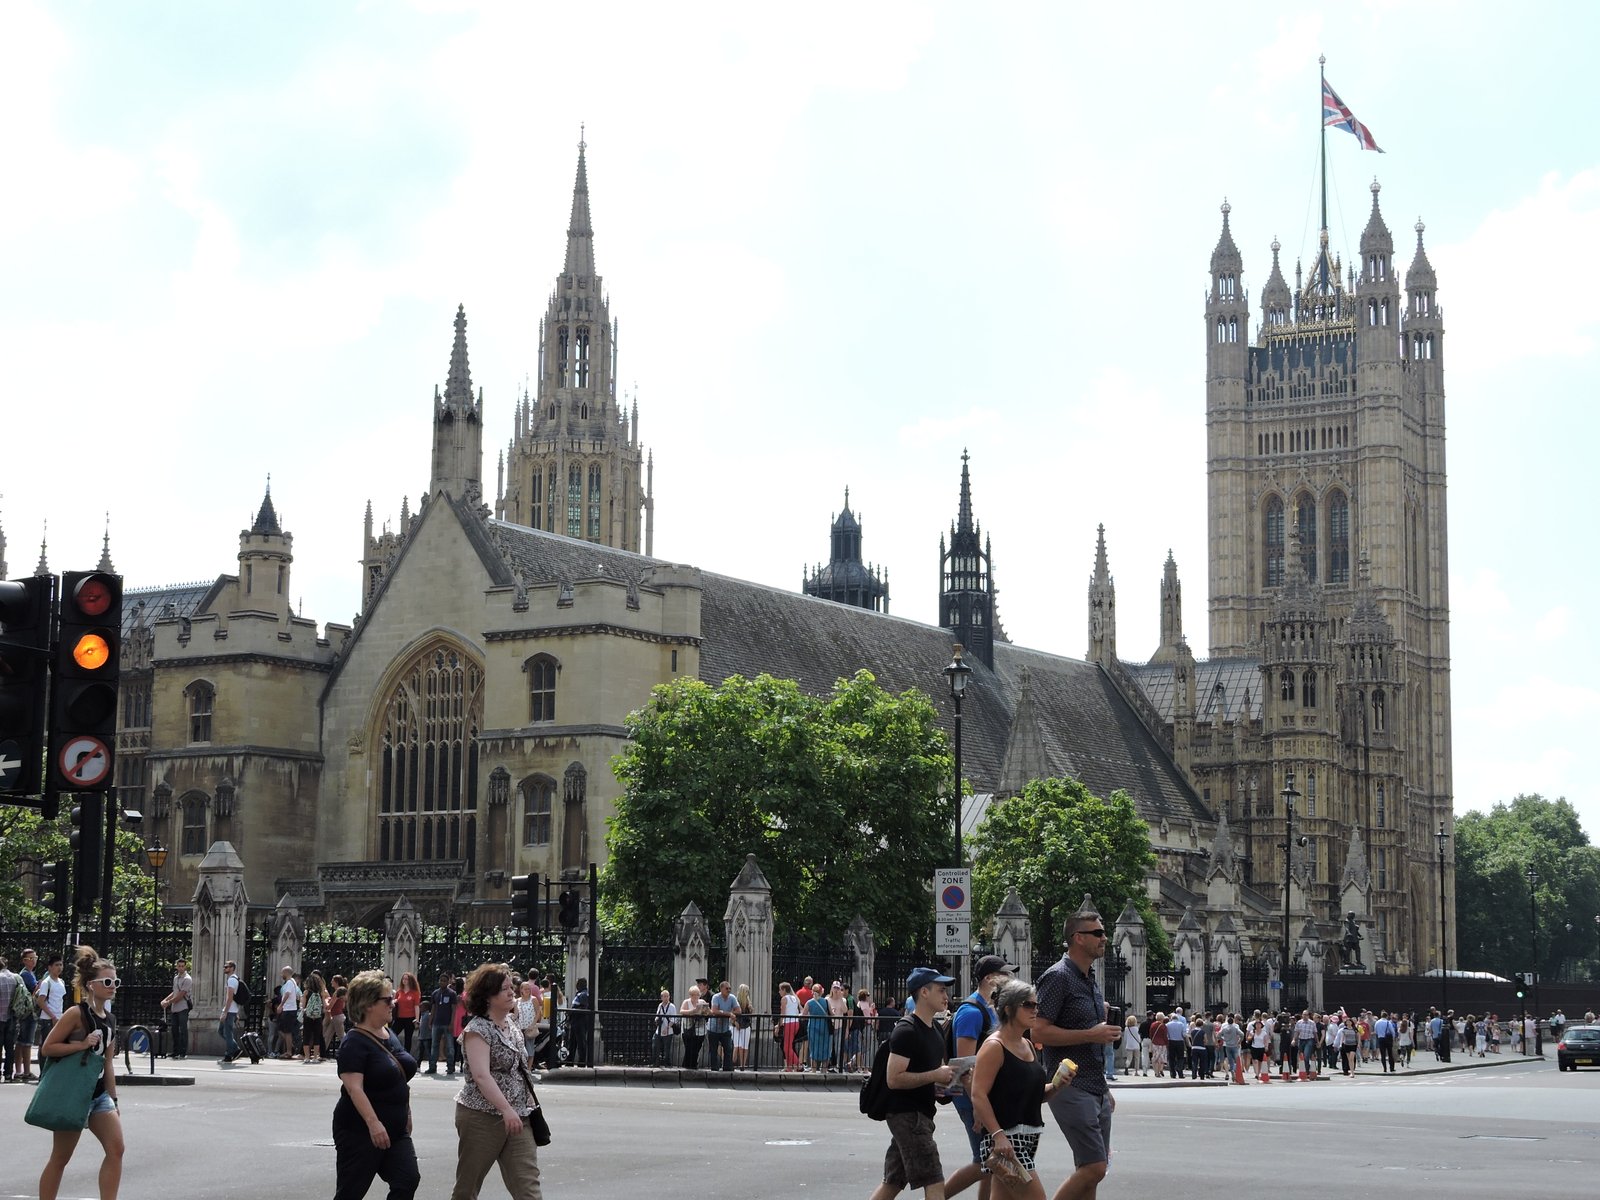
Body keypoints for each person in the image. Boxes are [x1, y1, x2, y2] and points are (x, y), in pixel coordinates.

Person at [1032, 913, 1120, 1200]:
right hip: (1070, 1084)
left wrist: (1105, 1089)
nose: (1104, 937)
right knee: (1095, 1166)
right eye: (1098, 933)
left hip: (1094, 1085)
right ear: (1078, 938)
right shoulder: (1058, 977)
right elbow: (1038, 1032)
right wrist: (1089, 1035)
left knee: (1092, 1171)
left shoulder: (1089, 979)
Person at [451, 963, 544, 1200]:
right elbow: (482, 1076)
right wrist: (505, 1109)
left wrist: (523, 1106)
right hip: (481, 1116)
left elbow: (519, 1069)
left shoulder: (511, 1026)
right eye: (504, 989)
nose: (511, 992)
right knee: (467, 1188)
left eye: (511, 987)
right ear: (488, 997)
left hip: (519, 1116)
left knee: (529, 1189)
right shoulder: (477, 1030)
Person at [37, 946, 123, 1200]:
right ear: (90, 985)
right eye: (107, 981)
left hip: (98, 1095)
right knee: (61, 1158)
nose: (113, 986)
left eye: (115, 981)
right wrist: (82, 1044)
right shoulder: (75, 1014)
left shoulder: (110, 1019)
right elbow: (48, 1048)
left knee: (116, 1149)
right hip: (74, 1094)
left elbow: (107, 1063)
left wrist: (114, 1099)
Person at [968, 978, 1067, 1200]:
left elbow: (1034, 1095)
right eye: (1028, 1005)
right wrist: (998, 1135)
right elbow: (978, 1094)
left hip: (1026, 1137)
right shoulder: (994, 1046)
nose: (1035, 1010)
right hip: (1006, 1141)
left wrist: (1058, 1085)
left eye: (1036, 1005)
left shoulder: (1027, 1044)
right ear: (1009, 1009)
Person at [869, 966, 956, 1200]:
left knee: (893, 1181)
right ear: (924, 993)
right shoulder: (906, 1030)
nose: (946, 995)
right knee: (934, 1180)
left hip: (920, 1115)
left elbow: (930, 1075)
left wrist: (949, 1082)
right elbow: (894, 1079)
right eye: (940, 990)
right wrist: (935, 1075)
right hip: (908, 1116)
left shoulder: (935, 1028)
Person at [332, 970, 419, 1200]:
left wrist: (406, 1112)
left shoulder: (388, 1033)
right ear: (368, 1004)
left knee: (407, 1180)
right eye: (388, 999)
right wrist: (373, 1123)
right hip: (360, 1131)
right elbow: (354, 1088)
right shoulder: (354, 1042)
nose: (394, 1003)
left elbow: (399, 1079)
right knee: (351, 1192)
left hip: (396, 1131)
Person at [944, 953, 1012, 1200]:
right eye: (1004, 974)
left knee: (989, 1164)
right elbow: (965, 1065)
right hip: (971, 1098)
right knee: (983, 1162)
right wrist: (977, 1107)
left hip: (982, 1096)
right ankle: (933, 1197)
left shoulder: (988, 1007)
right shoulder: (972, 1011)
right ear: (989, 978)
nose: (1009, 978)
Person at [158, 959, 194, 1060]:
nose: (181, 968)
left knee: (183, 1030)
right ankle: (175, 1051)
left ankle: (183, 1052)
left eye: (183, 966)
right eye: (179, 966)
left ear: (185, 967)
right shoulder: (176, 978)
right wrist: (165, 1000)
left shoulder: (187, 979)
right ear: (177, 967)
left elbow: (181, 995)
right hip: (175, 1008)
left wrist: (168, 1002)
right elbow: (174, 992)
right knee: (174, 1030)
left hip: (183, 1007)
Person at [15, 947, 40, 1082]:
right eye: (30, 958)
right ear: (24, 961)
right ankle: (26, 1071)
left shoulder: (29, 973)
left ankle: (19, 1070)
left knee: (21, 1041)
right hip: (29, 1012)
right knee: (27, 1042)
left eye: (34, 957)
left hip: (26, 1012)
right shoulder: (26, 975)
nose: (33, 961)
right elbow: (35, 989)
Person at [428, 972, 460, 1075]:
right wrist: (430, 1020)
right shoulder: (435, 993)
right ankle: (432, 1066)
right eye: (441, 980)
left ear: (448, 982)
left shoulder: (452, 994)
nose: (442, 982)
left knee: (450, 1046)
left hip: (447, 1023)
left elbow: (454, 1009)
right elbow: (433, 1008)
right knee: (434, 1045)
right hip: (436, 1023)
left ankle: (450, 1067)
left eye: (444, 981)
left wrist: (452, 1023)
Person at [708, 980, 739, 1072]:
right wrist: (729, 1014)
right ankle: (714, 1068)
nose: (729, 990)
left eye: (730, 988)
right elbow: (714, 1010)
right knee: (713, 1050)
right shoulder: (716, 997)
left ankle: (727, 1068)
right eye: (726, 988)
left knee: (728, 1048)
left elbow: (738, 1010)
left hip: (725, 1028)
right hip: (713, 1028)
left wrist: (726, 1013)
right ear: (721, 989)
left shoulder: (732, 997)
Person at [303, 972, 331, 1063]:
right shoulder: (321, 992)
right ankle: (315, 1057)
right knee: (317, 1036)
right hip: (318, 1016)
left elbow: (303, 1006)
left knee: (306, 1036)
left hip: (308, 1016)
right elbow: (323, 1005)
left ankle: (307, 1057)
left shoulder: (306, 992)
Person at [276, 966, 303, 1059]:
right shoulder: (293, 982)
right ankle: (289, 1048)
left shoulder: (289, 983)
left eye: (282, 973)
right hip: (290, 1009)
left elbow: (287, 994)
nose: (281, 975)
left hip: (288, 1010)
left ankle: (289, 1051)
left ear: (286, 973)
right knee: (285, 1031)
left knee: (287, 1031)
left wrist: (281, 1005)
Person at [218, 959, 242, 1063]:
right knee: (221, 1031)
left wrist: (225, 1012)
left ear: (232, 968)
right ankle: (235, 1049)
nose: (224, 968)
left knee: (227, 1033)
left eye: (226, 967)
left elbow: (230, 998)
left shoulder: (232, 980)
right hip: (232, 1010)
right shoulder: (234, 979)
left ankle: (229, 1055)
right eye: (224, 967)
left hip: (229, 1010)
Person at [679, 985, 707, 1070]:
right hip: (688, 1030)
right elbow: (681, 1011)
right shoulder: (686, 1002)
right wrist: (692, 1011)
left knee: (696, 1049)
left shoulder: (702, 1002)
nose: (695, 996)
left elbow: (708, 1012)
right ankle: (687, 1066)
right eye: (693, 995)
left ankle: (694, 1065)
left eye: (697, 994)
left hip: (700, 1030)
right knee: (689, 1048)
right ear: (690, 995)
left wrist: (705, 1011)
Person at [393, 973, 422, 1054]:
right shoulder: (399, 991)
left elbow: (416, 1006)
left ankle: (407, 1054)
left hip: (410, 1018)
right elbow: (395, 1001)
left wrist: (417, 1019)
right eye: (403, 979)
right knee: (393, 1033)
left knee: (408, 1038)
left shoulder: (415, 992)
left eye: (406, 979)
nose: (404, 981)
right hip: (399, 1017)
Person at [516, 981, 542, 1064]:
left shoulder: (533, 999)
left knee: (530, 1049)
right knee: (520, 1049)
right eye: (525, 989)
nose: (527, 990)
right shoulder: (517, 1001)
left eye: (528, 989)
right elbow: (516, 1015)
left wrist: (533, 1024)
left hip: (530, 1027)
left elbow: (538, 1012)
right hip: (520, 1028)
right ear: (521, 990)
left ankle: (529, 1068)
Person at [569, 979, 593, 1068]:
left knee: (580, 1042)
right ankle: (570, 1060)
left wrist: (573, 1011)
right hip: (576, 1020)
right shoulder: (580, 994)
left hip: (580, 1020)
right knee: (573, 1042)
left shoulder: (583, 994)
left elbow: (583, 1007)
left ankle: (581, 1062)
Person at [778, 981, 801, 1071]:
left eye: (780, 990)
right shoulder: (794, 998)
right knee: (789, 1046)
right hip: (796, 1022)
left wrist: (779, 1025)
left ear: (784, 990)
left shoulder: (784, 999)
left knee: (786, 1047)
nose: (779, 992)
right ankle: (789, 1067)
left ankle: (798, 1064)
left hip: (789, 1023)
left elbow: (782, 1013)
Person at [651, 989, 677, 1066]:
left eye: (667, 996)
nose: (666, 998)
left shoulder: (672, 1006)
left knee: (667, 1048)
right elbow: (657, 1015)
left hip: (668, 1030)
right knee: (655, 1045)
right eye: (664, 996)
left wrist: (667, 1028)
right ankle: (655, 1062)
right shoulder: (660, 1005)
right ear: (661, 997)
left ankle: (667, 1063)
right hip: (659, 1030)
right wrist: (657, 1021)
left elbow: (673, 1019)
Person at [733, 983, 754, 1070]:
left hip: (746, 1025)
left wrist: (750, 1007)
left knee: (745, 1046)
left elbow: (750, 1014)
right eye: (746, 991)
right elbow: (732, 1013)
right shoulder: (736, 1001)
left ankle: (743, 1064)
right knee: (739, 1046)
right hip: (737, 1026)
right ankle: (734, 1062)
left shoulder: (748, 1003)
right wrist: (735, 1022)